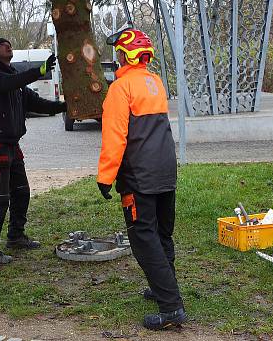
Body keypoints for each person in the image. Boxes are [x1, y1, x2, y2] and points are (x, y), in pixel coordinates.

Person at [97, 28, 186, 330]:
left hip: (140, 177)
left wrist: (105, 177)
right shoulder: (155, 82)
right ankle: (164, 288)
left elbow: (115, 138)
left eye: (118, 52)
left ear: (124, 55)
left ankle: (171, 308)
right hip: (165, 171)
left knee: (143, 238)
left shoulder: (121, 90)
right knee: (162, 235)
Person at [0, 38, 65, 265]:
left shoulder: (14, 81)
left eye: (9, 44)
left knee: (21, 191)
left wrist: (67, 106)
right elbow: (11, 82)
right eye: (3, 45)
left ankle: (16, 237)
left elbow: (37, 103)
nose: (9, 46)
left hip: (12, 144)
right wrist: (39, 70)